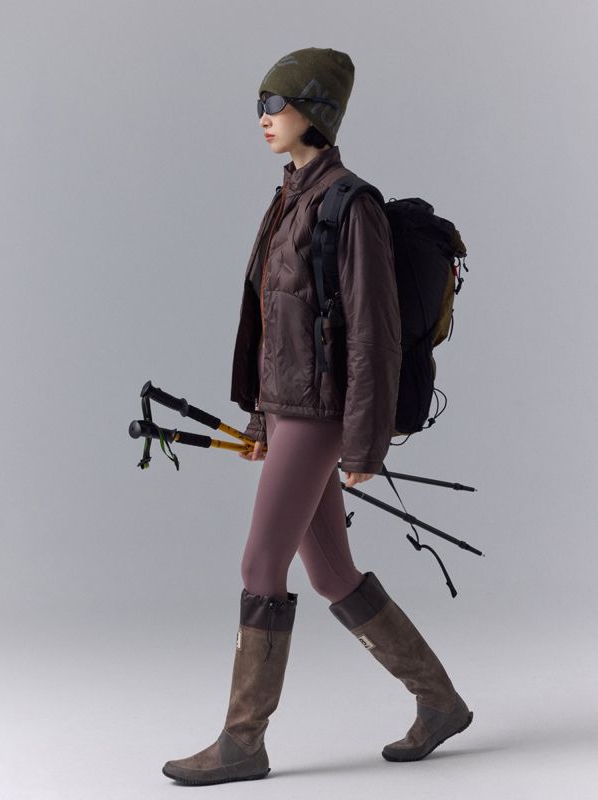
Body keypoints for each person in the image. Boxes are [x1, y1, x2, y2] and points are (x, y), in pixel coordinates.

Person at [162, 47, 473, 787]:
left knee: (259, 565)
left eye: (277, 104)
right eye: (260, 105)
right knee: (332, 572)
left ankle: (243, 741)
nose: (264, 118)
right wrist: (261, 418)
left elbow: (372, 333)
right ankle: (442, 704)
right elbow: (279, 324)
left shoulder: (349, 204)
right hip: (290, 409)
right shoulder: (290, 196)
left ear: (318, 113)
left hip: (323, 413)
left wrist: (365, 441)